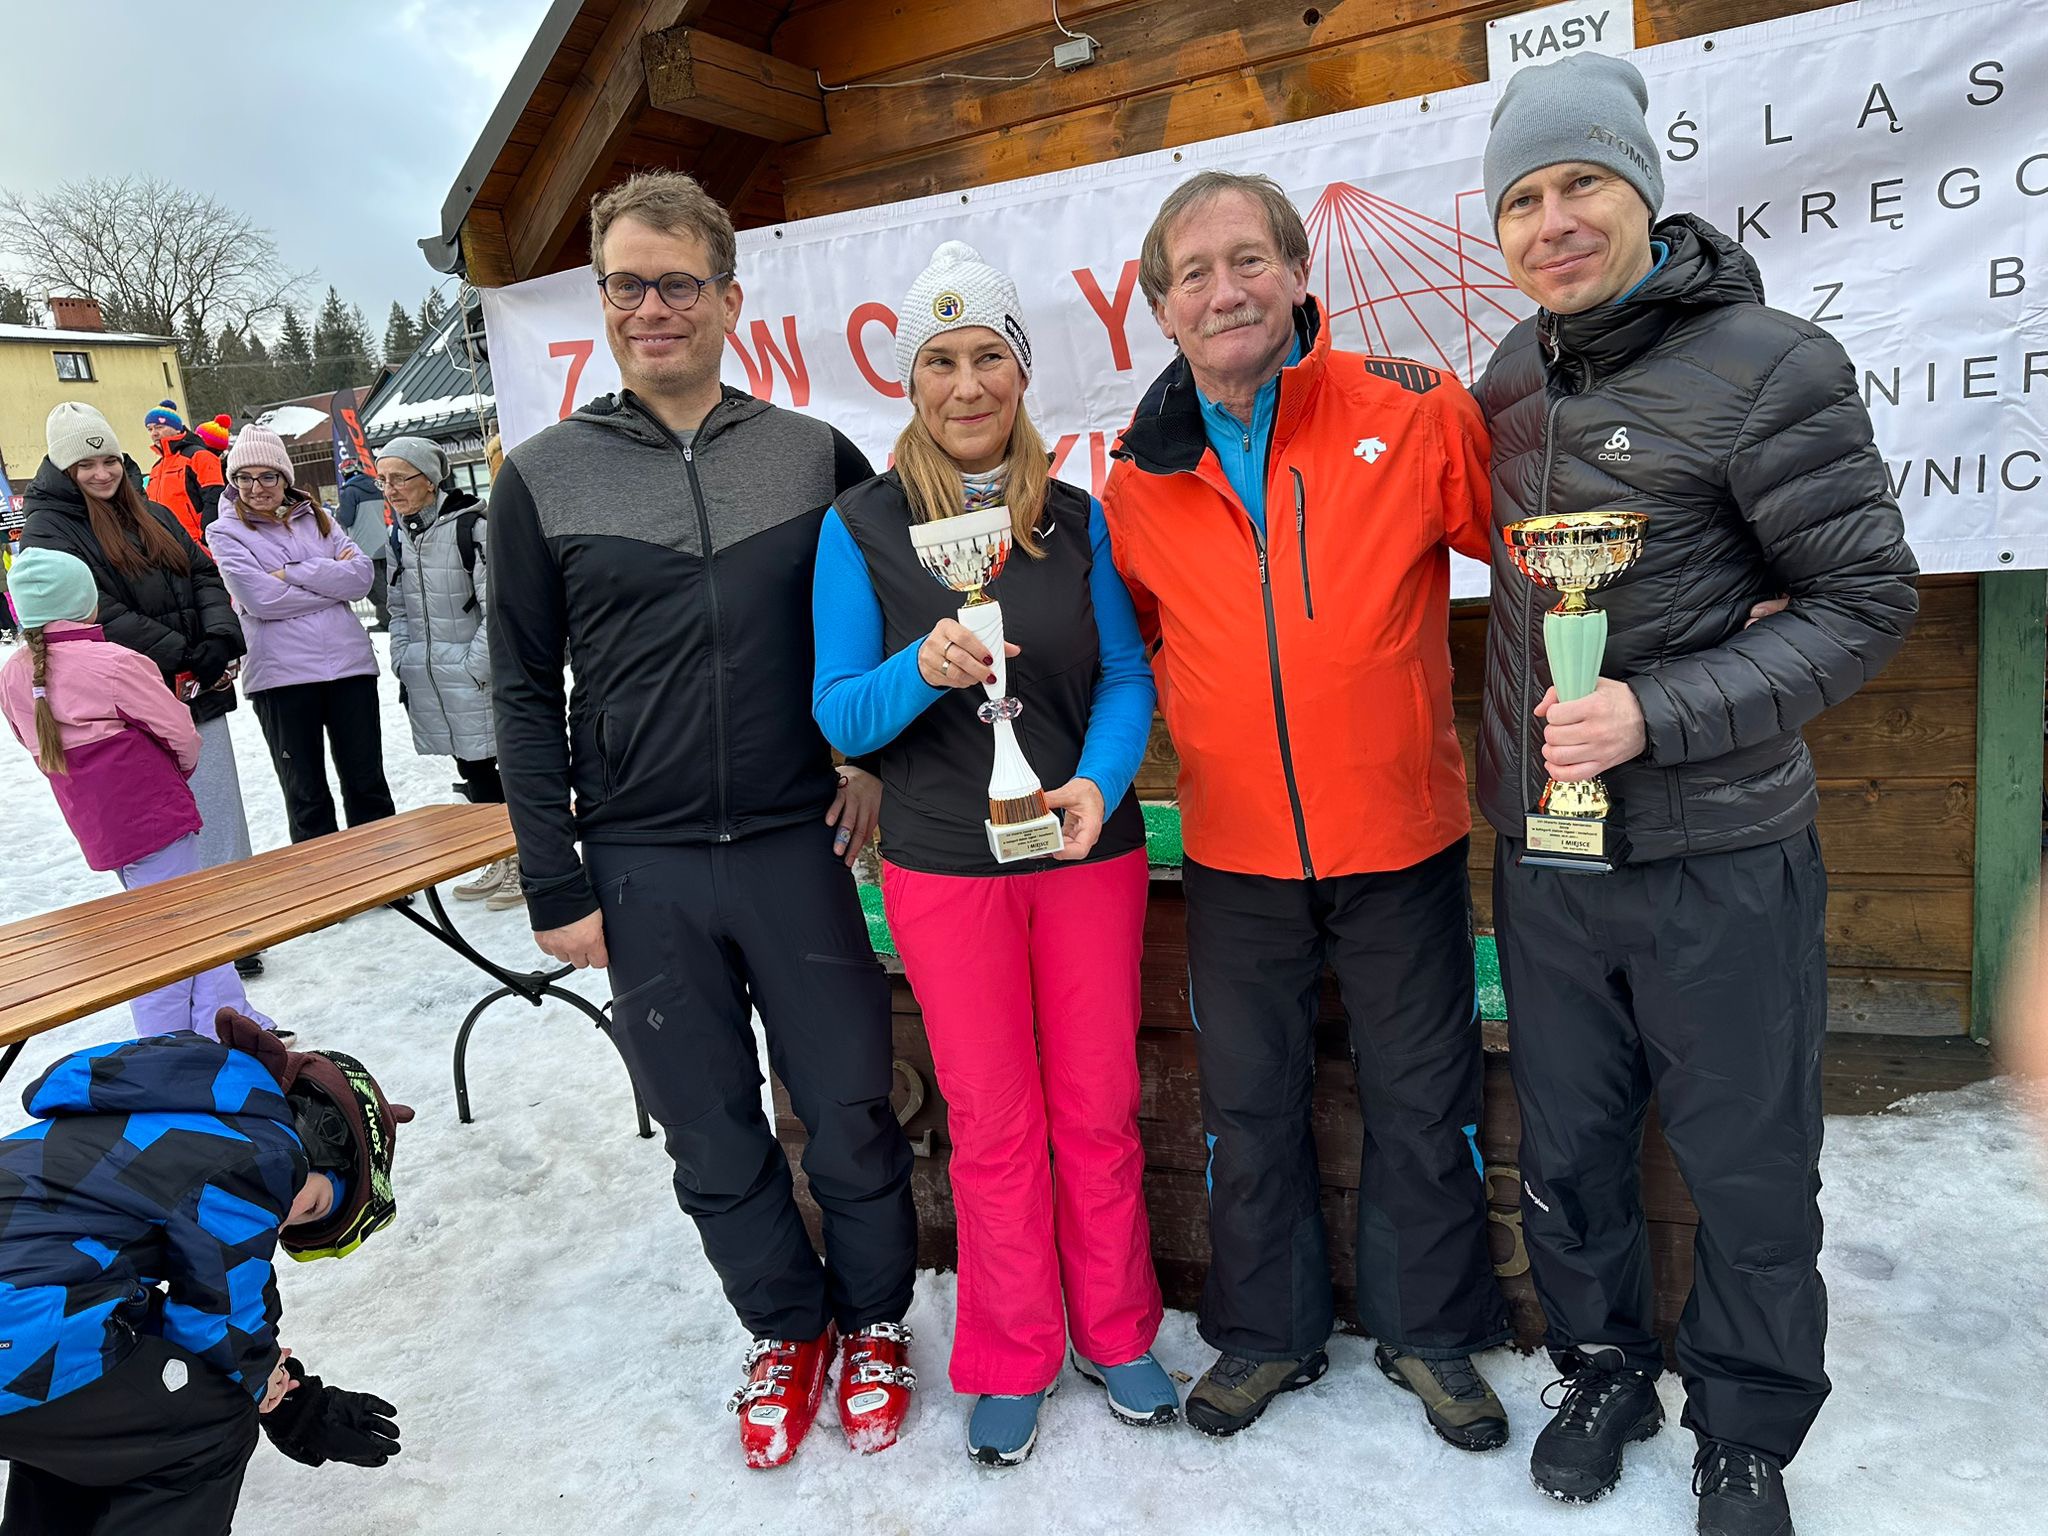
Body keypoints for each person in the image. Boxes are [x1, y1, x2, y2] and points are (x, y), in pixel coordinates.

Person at [1473, 55, 1920, 1535]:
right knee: (1575, 1141)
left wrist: (1654, 713)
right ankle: (1603, 1365)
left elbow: (1862, 600)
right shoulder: (1510, 382)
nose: (1554, 221)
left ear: (1644, 195)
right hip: (1551, 858)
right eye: (1524, 198)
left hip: (1721, 854)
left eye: (1581, 184)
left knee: (1747, 1159)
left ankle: (1747, 1429)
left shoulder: (1771, 363)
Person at [489, 169, 914, 1470]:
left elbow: (877, 631)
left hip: (797, 845)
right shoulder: (545, 476)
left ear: (730, 299)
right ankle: (785, 1330)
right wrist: (556, 883)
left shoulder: (812, 457)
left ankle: (877, 1321)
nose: (653, 307)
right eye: (628, 284)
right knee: (711, 1124)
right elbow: (517, 682)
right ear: (603, 302)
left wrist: (872, 761)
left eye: (679, 282)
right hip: (642, 866)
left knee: (846, 1101)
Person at [1100, 170, 1511, 1445]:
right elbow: (1135, 656)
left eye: (1244, 261)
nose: (1221, 290)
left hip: (1399, 834)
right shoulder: (1134, 481)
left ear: (1292, 275)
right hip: (1233, 852)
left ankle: (1430, 1332)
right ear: (1159, 310)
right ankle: (1265, 1333)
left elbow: (1535, 556)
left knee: (1419, 1089)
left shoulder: (1412, 411)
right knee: (1248, 1101)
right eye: (1191, 275)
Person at [813, 241, 1171, 1465]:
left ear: (1020, 374)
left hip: (1081, 849)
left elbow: (1125, 675)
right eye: (939, 362)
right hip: (940, 863)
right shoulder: (859, 526)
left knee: (1098, 1105)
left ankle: (1118, 1330)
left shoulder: (1075, 519)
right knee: (993, 1115)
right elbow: (838, 713)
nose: (966, 385)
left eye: (988, 359)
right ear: (908, 384)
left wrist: (1096, 782)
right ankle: (1009, 1348)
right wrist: (917, 669)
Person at [0, 1012, 408, 1533]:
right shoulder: (264, 1152)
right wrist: (280, 1401)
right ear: (318, 1138)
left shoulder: (154, 1118)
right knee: (207, 1427)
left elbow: (149, 1314)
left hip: (26, 1329)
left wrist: (281, 1387)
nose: (283, 1217)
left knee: (108, 1416)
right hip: (20, 1332)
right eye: (313, 1205)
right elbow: (221, 1317)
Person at [18, 404, 264, 977]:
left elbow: (201, 571)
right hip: (127, 699)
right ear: (63, 465)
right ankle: (189, 934)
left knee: (219, 804)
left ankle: (238, 924)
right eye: (87, 464)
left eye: (109, 460)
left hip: (194, 682)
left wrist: (220, 637)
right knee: (166, 825)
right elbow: (91, 611)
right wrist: (178, 650)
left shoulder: (150, 509)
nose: (103, 474)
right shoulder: (49, 531)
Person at [0, 547, 274, 1041]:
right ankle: (167, 1040)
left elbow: (31, 743)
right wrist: (179, 774)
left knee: (184, 915)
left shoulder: (15, 673)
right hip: (154, 813)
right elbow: (180, 731)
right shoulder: (115, 663)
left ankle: (229, 1015)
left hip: (97, 818)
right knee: (169, 933)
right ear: (87, 603)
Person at [207, 425, 395, 844]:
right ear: (233, 481)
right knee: (305, 793)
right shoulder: (224, 532)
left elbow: (361, 578)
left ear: (285, 478)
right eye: (244, 477)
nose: (256, 488)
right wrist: (330, 585)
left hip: (349, 669)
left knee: (367, 783)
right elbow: (261, 601)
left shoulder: (320, 518)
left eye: (267, 476)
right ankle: (326, 887)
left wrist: (294, 572)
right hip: (283, 679)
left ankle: (389, 874)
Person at [377, 434, 512, 902]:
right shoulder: (401, 535)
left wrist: (477, 664)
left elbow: (498, 604)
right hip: (434, 675)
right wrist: (404, 657)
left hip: (476, 672)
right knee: (473, 767)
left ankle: (526, 858)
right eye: (383, 480)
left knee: (508, 767)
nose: (390, 489)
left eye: (399, 478)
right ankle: (497, 855)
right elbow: (396, 607)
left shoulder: (472, 527)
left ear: (430, 481)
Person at [142, 401, 225, 547]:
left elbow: (215, 500)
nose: (154, 433)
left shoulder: (199, 456)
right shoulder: (157, 467)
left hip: (198, 544)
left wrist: (206, 539)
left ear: (176, 428)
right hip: (167, 545)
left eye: (160, 427)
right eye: (150, 429)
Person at [336, 461, 391, 630]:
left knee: (373, 587)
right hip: (382, 542)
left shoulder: (349, 492)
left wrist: (338, 511)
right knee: (386, 583)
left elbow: (346, 519)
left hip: (363, 546)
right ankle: (388, 617)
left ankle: (387, 620)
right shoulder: (376, 487)